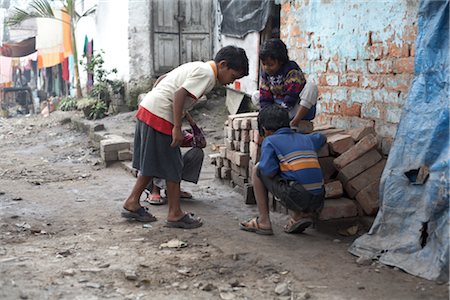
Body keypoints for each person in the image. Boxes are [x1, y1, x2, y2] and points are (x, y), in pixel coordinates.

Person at [122, 45, 249, 229]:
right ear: (223, 65)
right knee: (174, 165)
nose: (231, 82)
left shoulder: (199, 66)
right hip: (160, 116)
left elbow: (163, 80)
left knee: (152, 163)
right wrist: (177, 127)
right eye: (233, 76)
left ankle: (132, 202)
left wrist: (170, 107)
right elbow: (179, 93)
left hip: (149, 109)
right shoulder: (207, 74)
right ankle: (174, 213)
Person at [240, 105, 325, 235]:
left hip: (298, 196)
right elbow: (321, 137)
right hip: (319, 199)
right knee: (293, 174)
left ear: (264, 129)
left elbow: (268, 171)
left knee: (258, 169)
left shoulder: (270, 141)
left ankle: (263, 222)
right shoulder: (306, 138)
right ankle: (301, 215)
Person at [251, 38, 319, 130]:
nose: (267, 68)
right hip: (279, 108)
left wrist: (280, 113)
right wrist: (268, 114)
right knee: (255, 95)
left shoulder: (292, 70)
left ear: (281, 61)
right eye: (264, 64)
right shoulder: (266, 74)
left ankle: (294, 123)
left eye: (271, 65)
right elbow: (265, 95)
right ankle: (277, 121)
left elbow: (292, 95)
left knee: (311, 87)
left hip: (295, 107)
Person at [144, 111, 206, 205]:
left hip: (169, 167)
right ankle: (154, 190)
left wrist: (191, 121)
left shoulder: (177, 131)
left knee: (197, 152)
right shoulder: (153, 130)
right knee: (163, 153)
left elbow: (201, 143)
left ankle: (172, 189)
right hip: (149, 170)